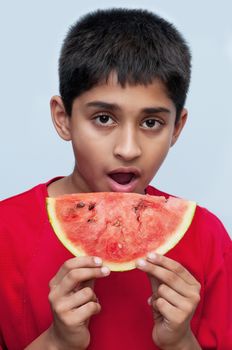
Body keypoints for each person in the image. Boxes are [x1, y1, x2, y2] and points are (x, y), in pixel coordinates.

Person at [0, 7, 231, 350]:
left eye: (151, 122)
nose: (128, 149)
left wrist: (182, 342)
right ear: (63, 118)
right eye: (104, 118)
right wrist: (56, 343)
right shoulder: (5, 231)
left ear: (177, 128)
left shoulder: (207, 236)